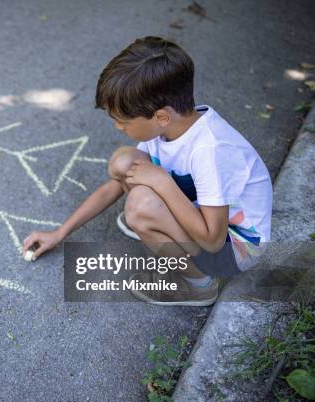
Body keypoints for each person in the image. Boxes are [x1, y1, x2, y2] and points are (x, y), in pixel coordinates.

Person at [21, 36, 272, 306]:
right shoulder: (169, 127)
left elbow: (213, 241)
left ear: (161, 116)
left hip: (235, 248)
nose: (118, 127)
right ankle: (157, 223)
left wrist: (162, 183)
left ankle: (200, 285)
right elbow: (114, 185)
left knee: (140, 206)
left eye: (122, 121)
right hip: (206, 219)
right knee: (123, 162)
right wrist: (60, 233)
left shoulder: (209, 150)